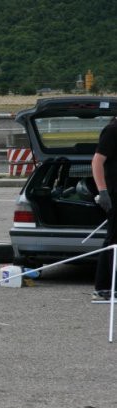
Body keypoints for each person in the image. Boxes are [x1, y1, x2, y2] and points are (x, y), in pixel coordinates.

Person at [92, 116, 117, 299]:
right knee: (114, 240)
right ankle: (107, 286)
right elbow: (97, 161)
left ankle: (105, 285)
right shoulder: (112, 130)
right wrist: (103, 192)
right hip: (114, 195)